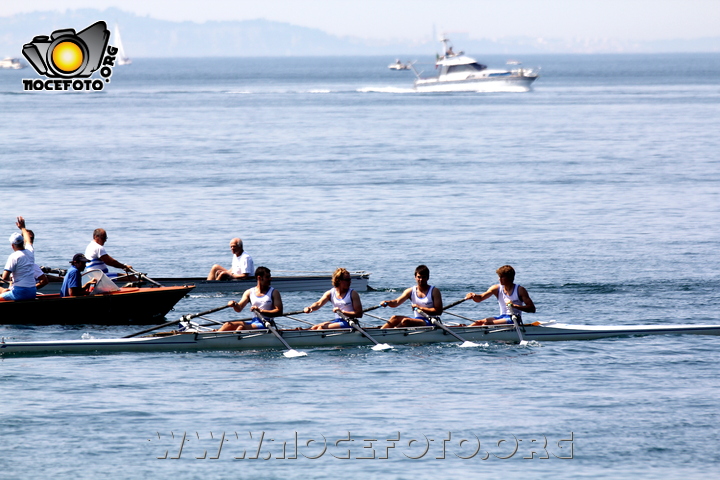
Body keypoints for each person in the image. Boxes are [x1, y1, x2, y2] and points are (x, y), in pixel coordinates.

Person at [465, 265, 536, 326]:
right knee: (478, 322)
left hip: (514, 319)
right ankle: (463, 331)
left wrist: (514, 306)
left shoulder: (520, 290)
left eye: (502, 277)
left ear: (510, 278)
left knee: (487, 323)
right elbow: (480, 298)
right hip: (502, 317)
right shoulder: (496, 288)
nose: (499, 279)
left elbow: (532, 309)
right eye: (499, 276)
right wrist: (473, 295)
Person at [218, 266, 283, 331]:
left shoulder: (274, 292)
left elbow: (279, 312)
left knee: (241, 328)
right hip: (254, 322)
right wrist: (234, 304)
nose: (270, 279)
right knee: (227, 325)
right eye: (267, 277)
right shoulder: (249, 292)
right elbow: (239, 308)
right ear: (259, 278)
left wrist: (261, 311)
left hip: (266, 323)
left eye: (269, 276)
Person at [0, 219, 36, 301]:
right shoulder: (30, 251)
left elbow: (4, 277)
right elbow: (28, 240)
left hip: (20, 293)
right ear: (23, 242)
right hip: (32, 291)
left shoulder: (14, 256)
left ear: (12, 245)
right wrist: (23, 227)